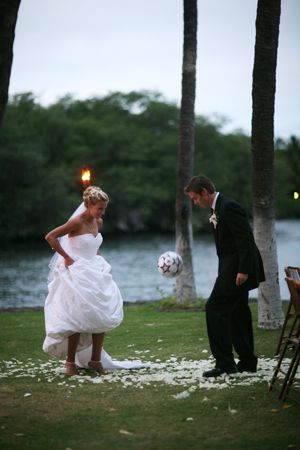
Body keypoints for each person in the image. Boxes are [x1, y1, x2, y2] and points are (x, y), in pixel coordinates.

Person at [184, 175, 265, 378]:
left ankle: (225, 363)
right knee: (238, 312)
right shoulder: (218, 207)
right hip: (230, 267)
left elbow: (245, 239)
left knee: (214, 309)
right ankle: (247, 361)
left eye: (195, 198)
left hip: (238, 268)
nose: (195, 202)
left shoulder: (228, 206)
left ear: (204, 192)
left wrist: (243, 270)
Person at [43, 185, 124, 376]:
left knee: (100, 314)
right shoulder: (76, 222)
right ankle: (70, 363)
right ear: (88, 204)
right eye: (99, 208)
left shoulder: (99, 222)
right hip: (77, 272)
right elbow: (51, 237)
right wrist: (67, 258)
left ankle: (95, 360)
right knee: (77, 319)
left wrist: (98, 258)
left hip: (95, 271)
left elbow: (94, 244)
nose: (102, 212)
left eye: (104, 208)